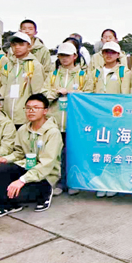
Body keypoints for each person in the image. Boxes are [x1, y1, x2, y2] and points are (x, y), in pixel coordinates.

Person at [0, 94, 62, 217]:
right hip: (26, 168)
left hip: (45, 175)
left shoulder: (53, 133)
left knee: (19, 195)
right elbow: (19, 153)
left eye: (36, 108)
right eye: (28, 108)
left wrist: (22, 180)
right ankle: (9, 205)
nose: (31, 111)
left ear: (45, 111)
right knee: (0, 168)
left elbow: (47, 164)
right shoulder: (23, 130)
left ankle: (46, 192)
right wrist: (5, 159)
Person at [47, 42, 92, 196]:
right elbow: (43, 94)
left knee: (74, 153)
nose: (64, 58)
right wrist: (56, 93)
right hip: (55, 121)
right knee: (55, 154)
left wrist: (73, 93)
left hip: (75, 122)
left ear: (74, 56)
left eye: (67, 55)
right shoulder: (53, 75)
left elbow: (89, 95)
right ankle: (57, 182)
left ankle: (74, 181)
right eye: (61, 55)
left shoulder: (83, 75)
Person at [0, 32, 47, 126]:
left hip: (25, 119)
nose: (17, 47)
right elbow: (3, 88)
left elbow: (37, 92)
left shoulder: (35, 65)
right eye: (14, 44)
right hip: (6, 118)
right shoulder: (7, 65)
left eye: (21, 44)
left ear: (29, 46)